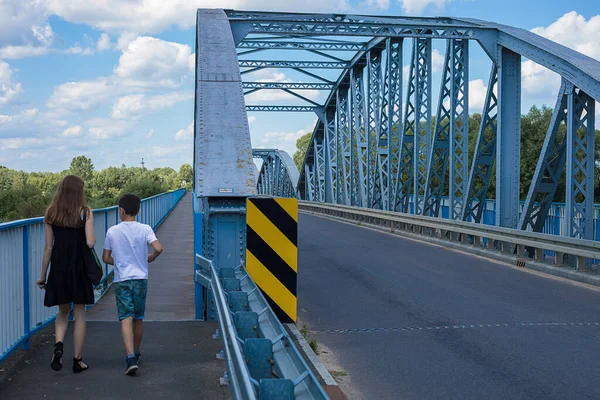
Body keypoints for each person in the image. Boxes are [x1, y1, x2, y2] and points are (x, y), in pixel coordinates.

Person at [36, 175, 96, 373]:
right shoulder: (84, 212)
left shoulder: (51, 213)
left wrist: (43, 274)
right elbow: (90, 242)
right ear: (79, 191)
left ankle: (59, 345)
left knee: (62, 312)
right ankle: (77, 361)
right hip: (79, 269)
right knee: (79, 313)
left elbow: (48, 248)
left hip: (60, 268)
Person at [102, 193, 163, 375]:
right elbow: (158, 248)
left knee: (125, 317)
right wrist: (151, 257)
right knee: (138, 317)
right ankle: (136, 353)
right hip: (140, 278)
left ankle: (129, 357)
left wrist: (119, 262)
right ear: (138, 210)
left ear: (120, 211)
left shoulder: (113, 231)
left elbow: (106, 257)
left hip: (122, 280)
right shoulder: (145, 228)